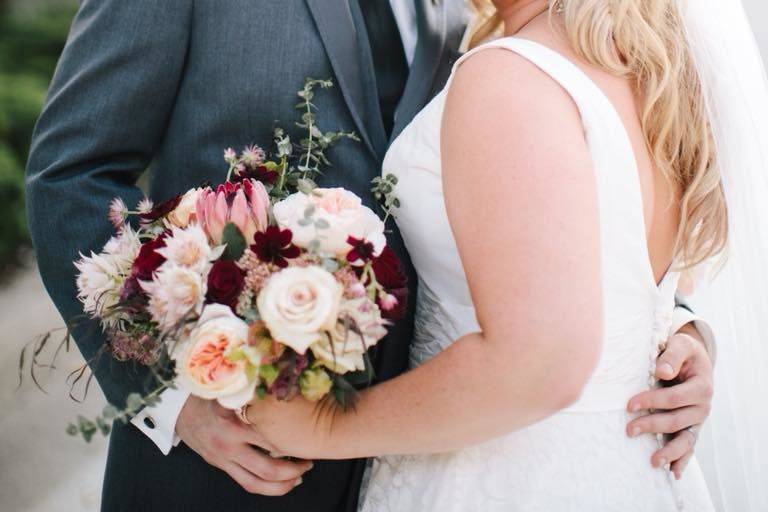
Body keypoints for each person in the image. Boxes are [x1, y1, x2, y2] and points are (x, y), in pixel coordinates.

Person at [25, 0, 717, 510]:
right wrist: (174, 398)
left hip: (448, 450)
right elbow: (71, 176)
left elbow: (551, 203)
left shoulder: (483, 26)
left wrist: (667, 329)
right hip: (225, 462)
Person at [239, 0, 768, 510]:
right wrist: (682, 331)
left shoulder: (511, 76)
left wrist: (326, 426)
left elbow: (538, 364)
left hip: (501, 477)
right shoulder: (650, 74)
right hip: (635, 469)